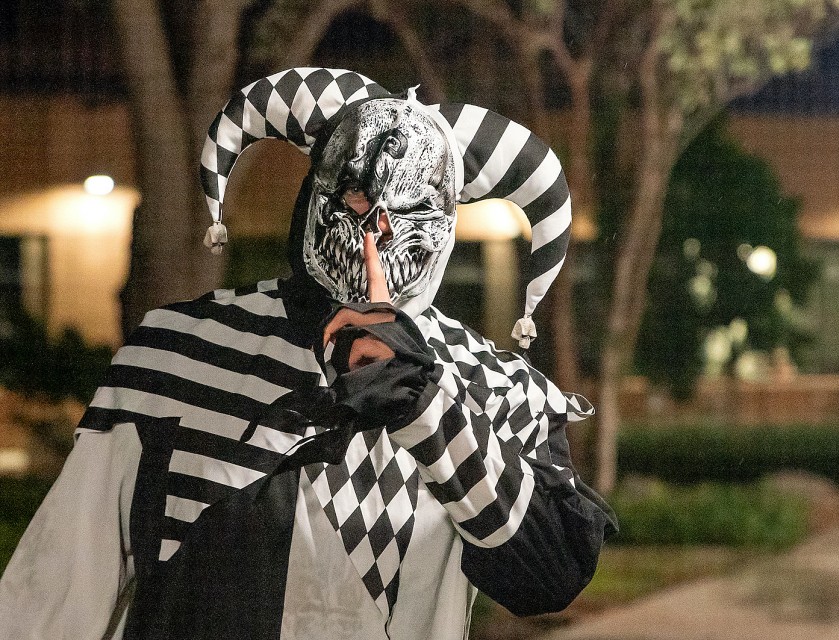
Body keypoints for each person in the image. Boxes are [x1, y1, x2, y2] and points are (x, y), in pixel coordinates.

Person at [0, 67, 616, 640]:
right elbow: (51, 597)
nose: (376, 235)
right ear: (315, 196)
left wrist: (430, 409)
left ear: (445, 222)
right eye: (354, 200)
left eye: (409, 212)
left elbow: (551, 575)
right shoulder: (178, 353)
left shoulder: (495, 385)